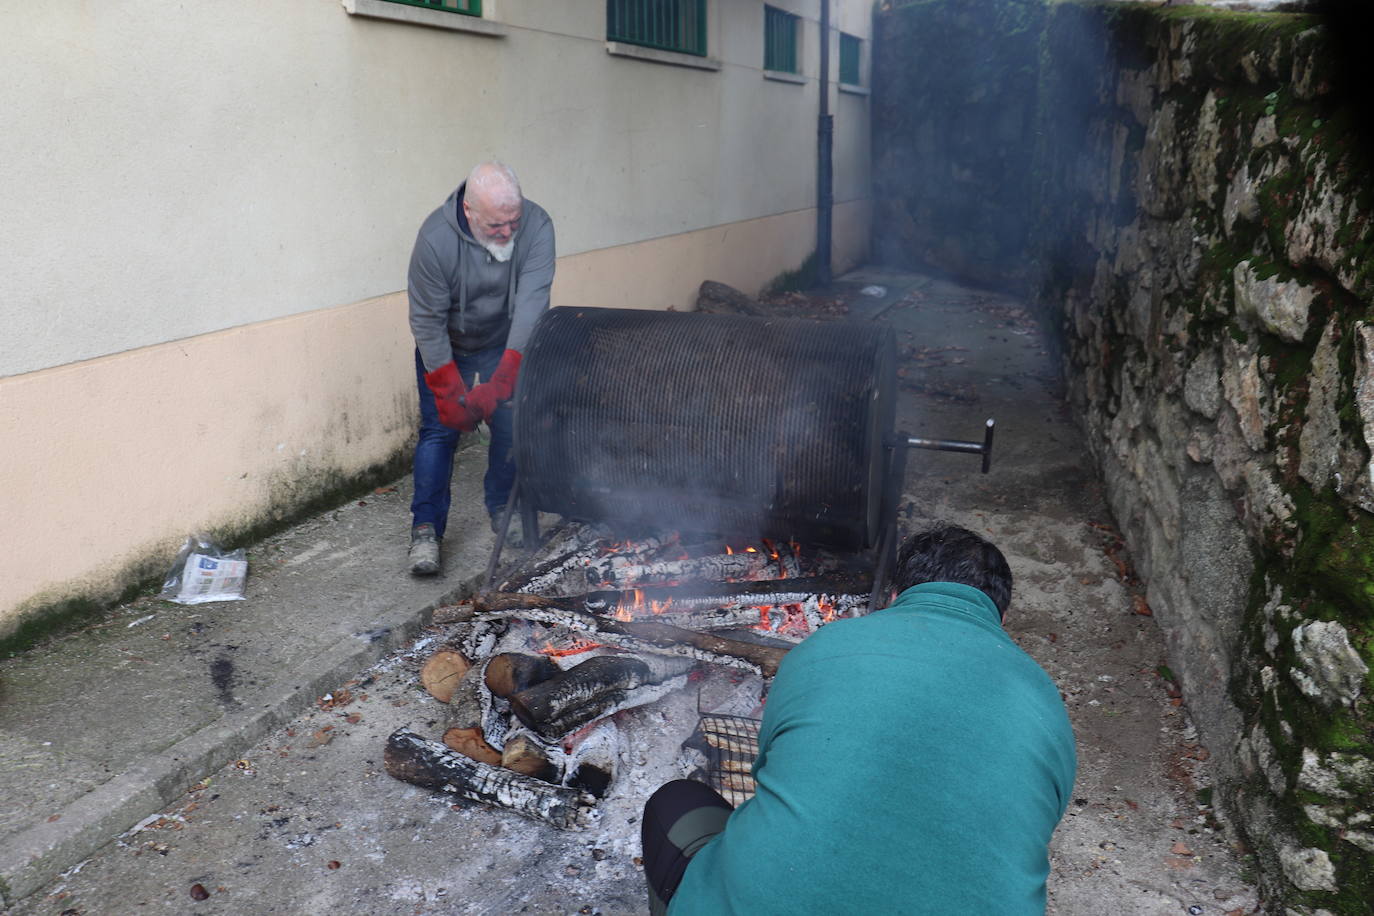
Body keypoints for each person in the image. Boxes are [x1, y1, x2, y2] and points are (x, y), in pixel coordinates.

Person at [640, 524, 1077, 915]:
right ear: (1000, 617)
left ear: (893, 597)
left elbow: (765, 774)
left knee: (675, 804)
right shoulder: (1044, 699)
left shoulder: (830, 643)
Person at [405, 161, 555, 575]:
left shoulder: (538, 226)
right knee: (439, 432)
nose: (508, 233)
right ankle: (425, 531)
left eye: (513, 221)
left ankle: (501, 512)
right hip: (447, 345)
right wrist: (449, 390)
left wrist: (503, 378)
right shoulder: (435, 240)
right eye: (496, 225)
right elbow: (426, 321)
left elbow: (531, 304)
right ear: (469, 212)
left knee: (509, 426)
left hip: (504, 342)